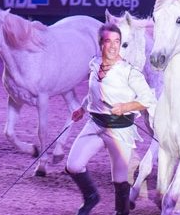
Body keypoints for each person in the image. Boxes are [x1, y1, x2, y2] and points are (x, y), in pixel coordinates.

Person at [65, 24, 155, 215]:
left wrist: (125, 107)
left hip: (119, 130)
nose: (113, 46)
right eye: (108, 41)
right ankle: (91, 197)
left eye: (117, 41)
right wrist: (82, 108)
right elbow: (94, 92)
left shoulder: (130, 72)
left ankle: (121, 212)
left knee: (120, 180)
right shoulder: (95, 64)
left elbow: (147, 99)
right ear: (101, 44)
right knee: (73, 165)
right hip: (95, 124)